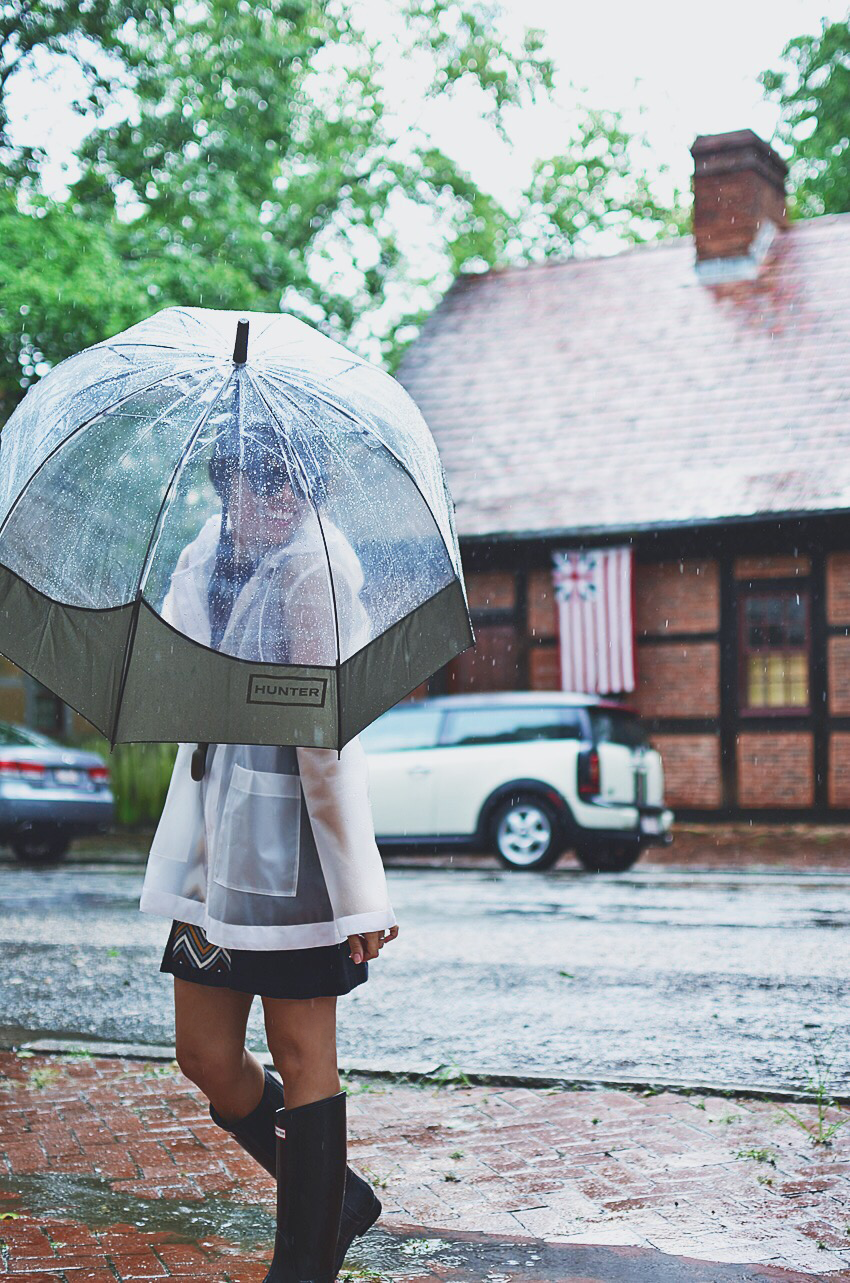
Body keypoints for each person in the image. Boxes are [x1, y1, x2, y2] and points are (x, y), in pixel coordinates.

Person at [139, 415, 399, 1283]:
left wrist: (360, 895)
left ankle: (303, 1264)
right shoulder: (200, 558)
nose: (284, 495)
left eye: (299, 479)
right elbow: (176, 686)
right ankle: (336, 1198)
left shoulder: (314, 571)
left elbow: (327, 745)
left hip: (298, 852)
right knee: (205, 1053)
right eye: (265, 477)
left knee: (300, 1049)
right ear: (229, 482)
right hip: (214, 848)